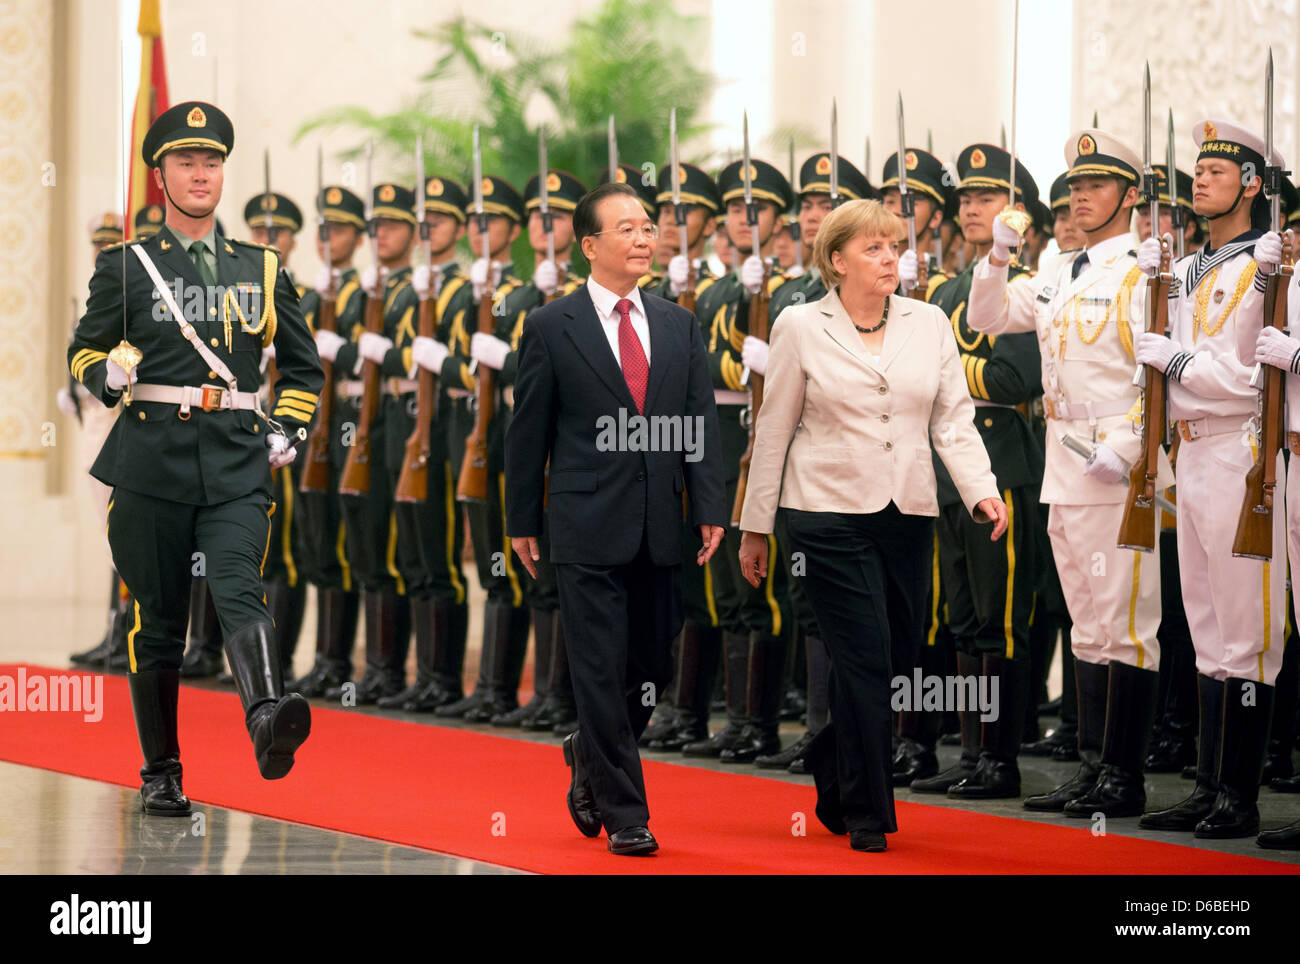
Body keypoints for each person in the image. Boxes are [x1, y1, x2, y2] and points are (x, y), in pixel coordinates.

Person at [67, 101, 323, 814]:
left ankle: (267, 716)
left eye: (211, 162)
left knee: (241, 583)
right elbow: (83, 349)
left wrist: (290, 430)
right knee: (159, 619)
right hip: (149, 461)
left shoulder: (262, 268)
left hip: (238, 460)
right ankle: (161, 771)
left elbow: (302, 370)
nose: (201, 173)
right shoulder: (127, 266)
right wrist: (103, 376)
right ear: (161, 176)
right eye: (186, 162)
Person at [737, 198, 1007, 852]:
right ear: (837, 261)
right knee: (861, 651)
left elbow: (951, 419)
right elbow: (773, 428)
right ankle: (868, 812)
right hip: (824, 511)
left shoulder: (930, 320)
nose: (890, 259)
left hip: (907, 510)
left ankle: (833, 763)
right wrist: (755, 525)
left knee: (897, 655)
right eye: (873, 249)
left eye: (893, 247)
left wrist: (981, 491)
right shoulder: (800, 325)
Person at [505, 181, 727, 855]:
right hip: (584, 523)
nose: (644, 237)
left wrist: (710, 505)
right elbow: (527, 434)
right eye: (626, 228)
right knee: (597, 668)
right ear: (590, 245)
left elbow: (699, 422)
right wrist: (522, 521)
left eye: (648, 227)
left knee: (650, 671)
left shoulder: (678, 323)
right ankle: (627, 814)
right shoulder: (550, 326)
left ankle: (588, 752)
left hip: (661, 523)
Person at [968, 129, 1170, 818]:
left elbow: (1159, 371)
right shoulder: (1057, 266)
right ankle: (1091, 766)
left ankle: (1124, 775)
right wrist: (999, 254)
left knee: (1127, 620)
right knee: (1087, 619)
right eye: (1074, 187)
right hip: (1064, 457)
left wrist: (1135, 443)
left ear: (1130, 196)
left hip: (1118, 460)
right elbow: (986, 314)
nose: (1081, 197)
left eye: (1097, 186)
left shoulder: (1146, 273)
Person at [1134, 119, 1286, 839]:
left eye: (1217, 172)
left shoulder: (1268, 264)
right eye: (1197, 170)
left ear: (1253, 184)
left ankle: (1240, 795)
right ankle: (1206, 784)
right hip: (1190, 452)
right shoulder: (1193, 266)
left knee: (1246, 631)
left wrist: (1178, 365)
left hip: (1238, 452)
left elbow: (1252, 374)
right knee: (1204, 626)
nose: (1199, 181)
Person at [906, 143, 1043, 800]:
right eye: (964, 200)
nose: (969, 210)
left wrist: (943, 374)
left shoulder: (1023, 286)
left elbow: (1019, 377)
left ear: (1013, 208)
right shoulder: (945, 288)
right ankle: (969, 753)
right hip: (948, 467)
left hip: (999, 458)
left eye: (984, 199)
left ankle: (1000, 757)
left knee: (1001, 616)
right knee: (961, 617)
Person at [472, 168, 587, 728]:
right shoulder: (511, 295)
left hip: (565, 439)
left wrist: (504, 358)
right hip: (514, 433)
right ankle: (532, 693)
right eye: (538, 217)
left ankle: (561, 695)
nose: (545, 226)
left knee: (561, 565)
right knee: (526, 563)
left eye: (557, 216)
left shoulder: (584, 295)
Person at [315, 183, 419, 705]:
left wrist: (358, 352)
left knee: (385, 545)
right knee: (358, 546)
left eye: (392, 225)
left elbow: (417, 356)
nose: (382, 235)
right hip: (352, 419)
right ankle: (356, 665)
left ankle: (388, 669)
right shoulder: (359, 289)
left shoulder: (401, 290)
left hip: (387, 419)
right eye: (377, 226)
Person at [288, 185, 366, 698]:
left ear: (357, 237)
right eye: (322, 230)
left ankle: (338, 660)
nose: (327, 238)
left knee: (343, 546)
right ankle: (321, 659)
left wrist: (351, 348)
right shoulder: (310, 296)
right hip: (311, 427)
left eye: (337, 229)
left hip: (349, 425)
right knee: (315, 545)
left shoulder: (364, 293)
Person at [66, 213, 130, 671]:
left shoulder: (128, 296)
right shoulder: (99, 294)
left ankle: (127, 631)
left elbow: (128, 357)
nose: (100, 253)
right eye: (97, 245)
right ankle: (115, 628)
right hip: (94, 421)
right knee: (109, 531)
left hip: (116, 421)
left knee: (122, 530)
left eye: (110, 245)